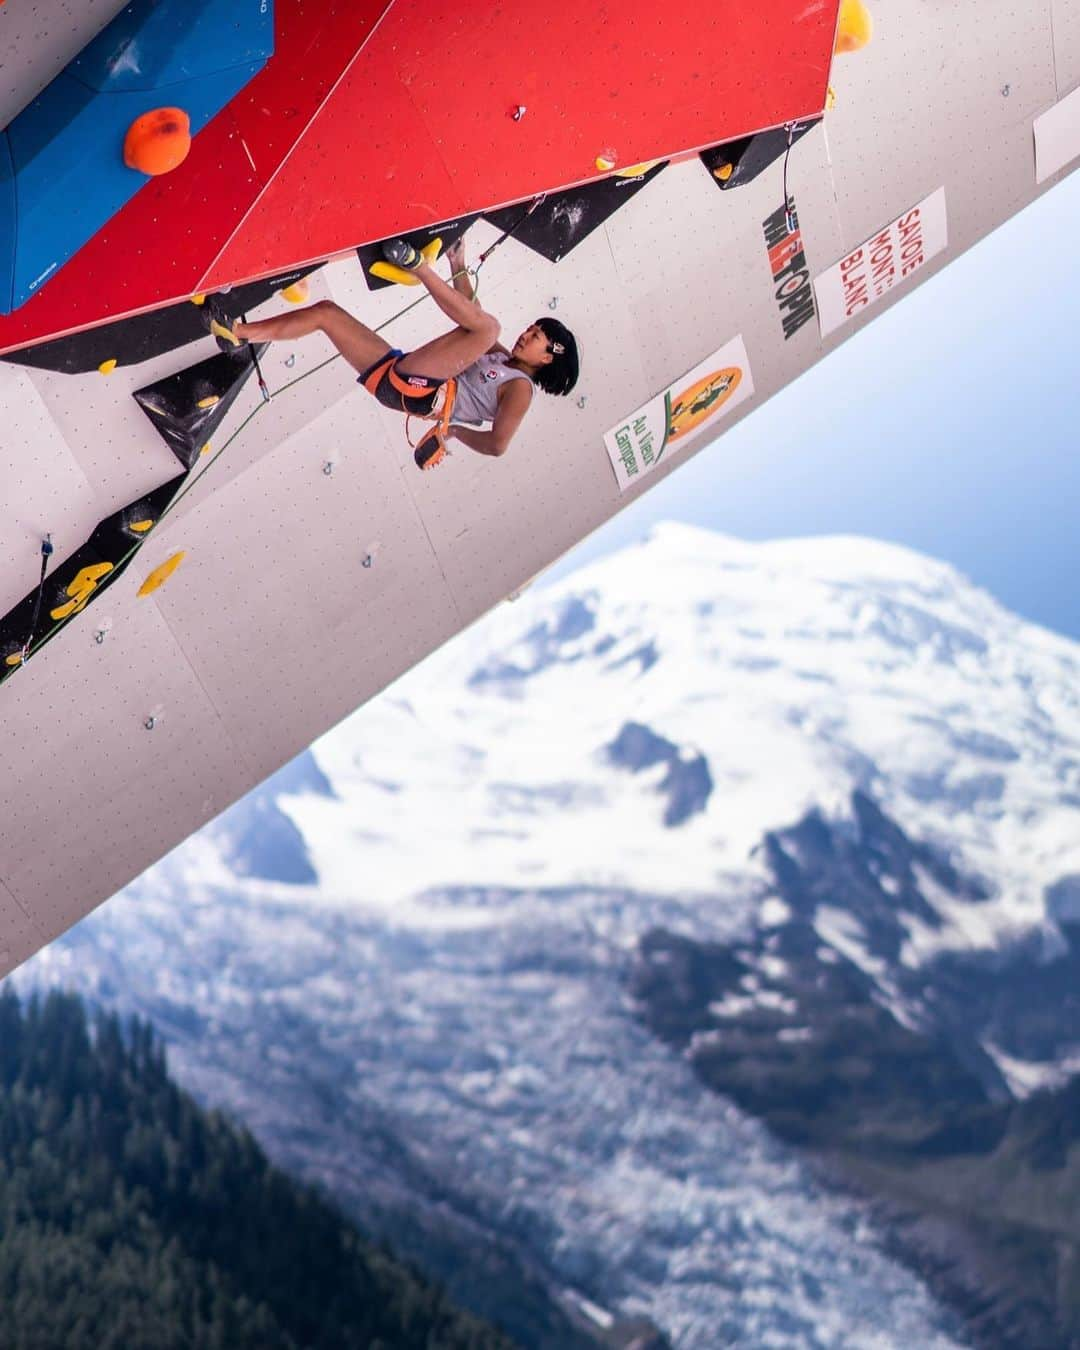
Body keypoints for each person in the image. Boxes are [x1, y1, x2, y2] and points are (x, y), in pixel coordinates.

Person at [229, 237, 579, 469]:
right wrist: (458, 261)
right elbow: (474, 311)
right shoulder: (504, 361)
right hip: (400, 381)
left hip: (422, 391)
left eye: (536, 338)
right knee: (326, 313)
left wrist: (451, 432)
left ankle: (417, 267)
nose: (526, 335)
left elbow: (498, 445)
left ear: (547, 358)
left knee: (489, 328)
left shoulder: (520, 389)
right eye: (531, 329)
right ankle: (238, 333)